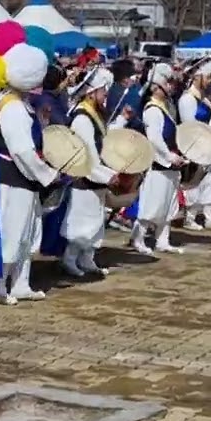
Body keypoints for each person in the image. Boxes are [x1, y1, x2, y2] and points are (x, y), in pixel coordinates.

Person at [0, 22, 58, 304]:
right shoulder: (13, 106)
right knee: (11, 231)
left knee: (28, 231)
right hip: (12, 177)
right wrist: (48, 175)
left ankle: (22, 283)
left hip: (22, 178)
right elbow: (22, 152)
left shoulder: (20, 103)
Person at [61, 66, 120, 276]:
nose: (106, 95)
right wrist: (106, 175)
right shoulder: (82, 118)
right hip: (84, 177)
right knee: (82, 221)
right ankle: (70, 259)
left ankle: (87, 259)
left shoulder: (93, 114)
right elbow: (87, 154)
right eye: (104, 90)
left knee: (95, 221)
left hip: (97, 177)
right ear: (92, 91)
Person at [132, 62, 186, 255]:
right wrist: (169, 156)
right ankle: (138, 238)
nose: (171, 86)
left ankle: (163, 239)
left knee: (168, 204)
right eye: (168, 82)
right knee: (152, 203)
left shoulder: (164, 107)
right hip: (157, 164)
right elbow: (154, 139)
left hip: (169, 164)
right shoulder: (153, 109)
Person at [177, 59, 211, 228]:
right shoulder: (187, 99)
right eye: (208, 77)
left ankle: (210, 215)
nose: (210, 81)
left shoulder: (202, 97)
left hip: (206, 143)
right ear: (198, 76)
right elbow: (188, 125)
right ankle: (189, 217)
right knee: (195, 181)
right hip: (193, 144)